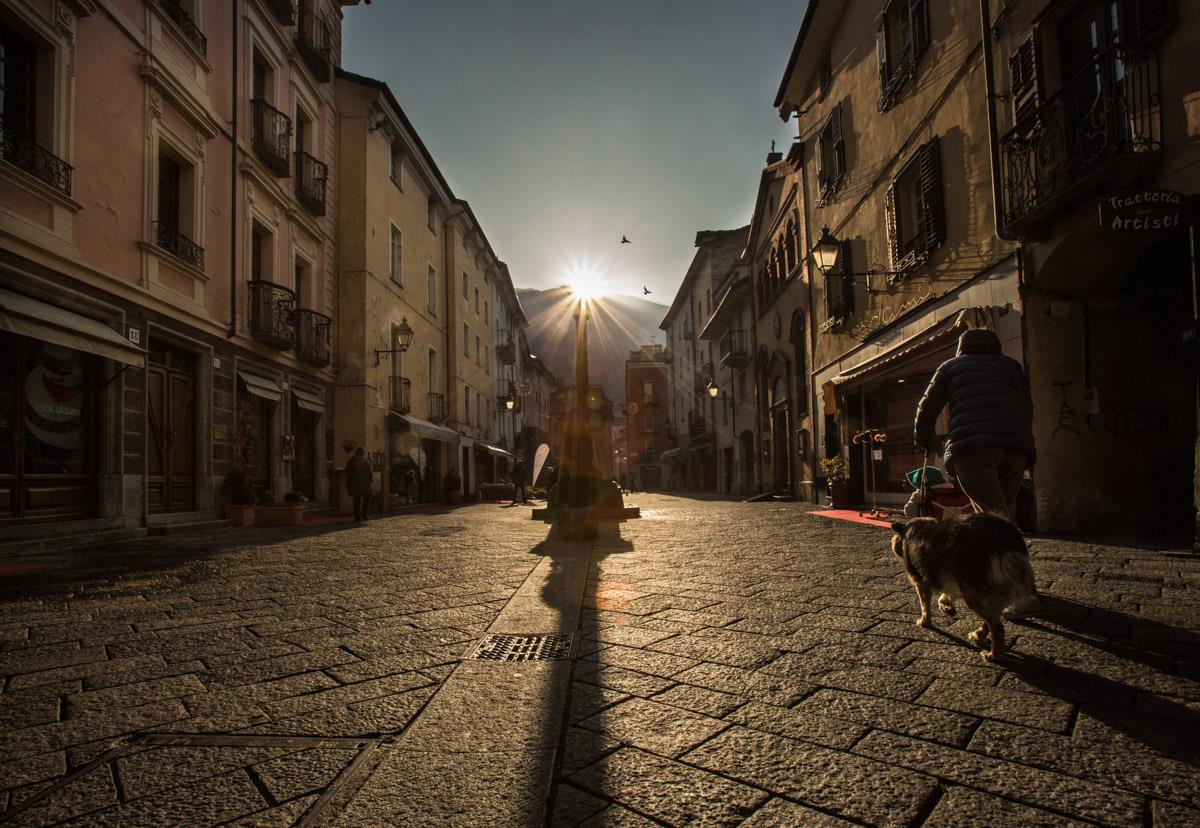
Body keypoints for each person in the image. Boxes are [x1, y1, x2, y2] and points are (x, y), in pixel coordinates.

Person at [914, 329, 1035, 521]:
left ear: (961, 347)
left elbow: (926, 408)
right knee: (1002, 510)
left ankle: (1004, 550)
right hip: (1014, 449)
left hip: (971, 448)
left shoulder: (950, 367)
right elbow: (1026, 407)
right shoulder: (1012, 367)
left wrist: (926, 439)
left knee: (993, 515)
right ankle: (997, 548)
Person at [344, 446, 374, 522]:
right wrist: (370, 481)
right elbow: (370, 473)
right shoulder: (365, 461)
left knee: (356, 500)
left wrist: (350, 481)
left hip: (354, 484)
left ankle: (357, 517)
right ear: (362, 453)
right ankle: (364, 514)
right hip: (364, 484)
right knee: (367, 497)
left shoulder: (351, 461)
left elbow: (347, 472)